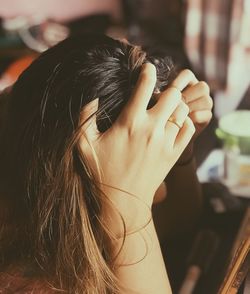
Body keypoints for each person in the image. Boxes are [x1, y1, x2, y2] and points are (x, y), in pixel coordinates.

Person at [0, 34, 212, 293]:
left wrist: (179, 150)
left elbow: (177, 224)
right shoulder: (27, 280)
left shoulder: (62, 220)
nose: (161, 192)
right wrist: (130, 206)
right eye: (152, 181)